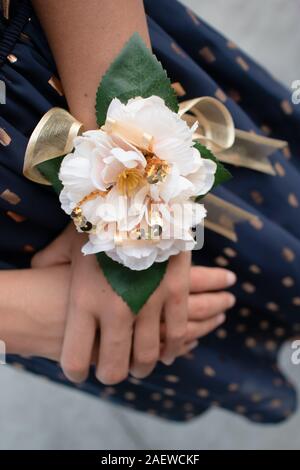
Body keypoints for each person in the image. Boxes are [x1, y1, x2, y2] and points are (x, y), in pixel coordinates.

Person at [0, 0, 299, 423]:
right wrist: (12, 313)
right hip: (20, 276)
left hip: (79, 67)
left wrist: (134, 228)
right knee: (198, 345)